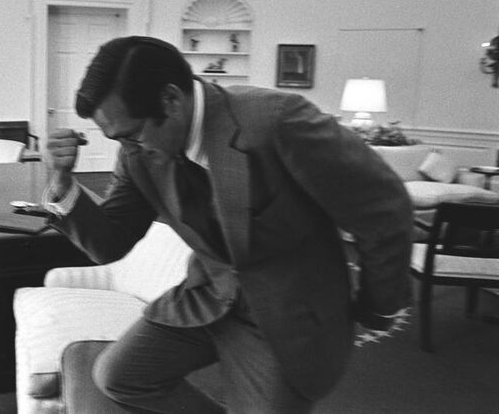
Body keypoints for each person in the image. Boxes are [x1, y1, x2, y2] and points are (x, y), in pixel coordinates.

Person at [44, 36, 413, 413]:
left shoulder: (277, 120)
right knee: (118, 378)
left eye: (131, 135)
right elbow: (112, 243)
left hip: (287, 316)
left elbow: (384, 209)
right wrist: (61, 183)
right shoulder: (137, 153)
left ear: (171, 100)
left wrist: (377, 308)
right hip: (209, 295)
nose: (127, 149)